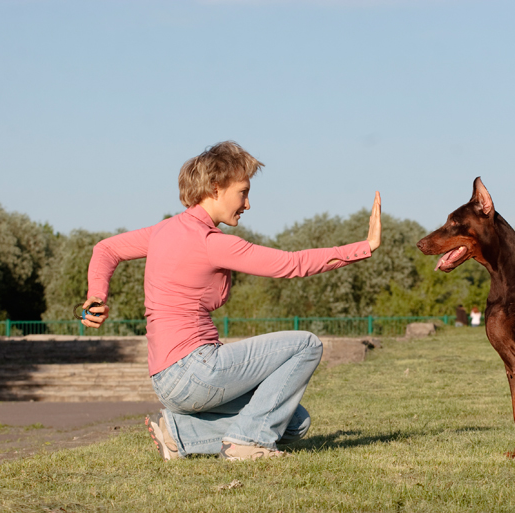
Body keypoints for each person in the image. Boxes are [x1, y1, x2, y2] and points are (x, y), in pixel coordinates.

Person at [80, 141, 382, 461]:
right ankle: (246, 444)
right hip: (196, 370)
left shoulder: (162, 231)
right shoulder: (210, 242)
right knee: (306, 345)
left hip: (166, 379)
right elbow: (292, 264)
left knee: (294, 422)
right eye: (243, 192)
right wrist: (365, 246)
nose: (248, 204)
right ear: (215, 188)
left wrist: (96, 295)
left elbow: (106, 249)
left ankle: (180, 434)